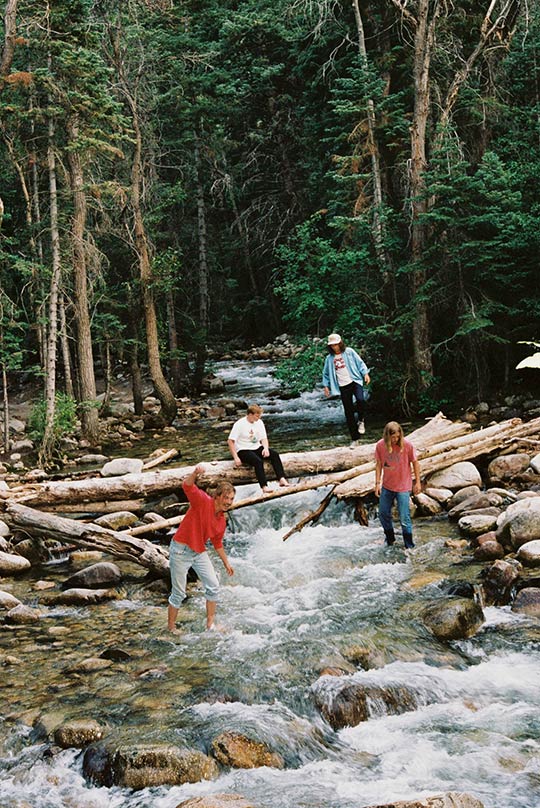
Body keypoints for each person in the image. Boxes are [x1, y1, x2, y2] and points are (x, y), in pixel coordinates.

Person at [168, 464, 235, 633]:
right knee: (179, 594)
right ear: (217, 497)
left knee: (213, 586)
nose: (228, 502)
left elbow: (217, 543)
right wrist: (195, 473)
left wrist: (226, 563)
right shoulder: (203, 501)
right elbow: (187, 486)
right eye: (226, 498)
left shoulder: (221, 520)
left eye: (232, 499)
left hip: (198, 552)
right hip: (180, 550)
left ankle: (210, 624)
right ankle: (171, 628)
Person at [374, 421, 421, 549]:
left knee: (404, 518)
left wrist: (417, 482)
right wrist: (377, 483)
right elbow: (378, 464)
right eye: (393, 437)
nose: (395, 439)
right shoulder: (380, 446)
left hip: (403, 486)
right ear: (387, 436)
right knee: (383, 513)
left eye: (397, 437)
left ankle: (409, 546)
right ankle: (390, 539)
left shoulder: (407, 445)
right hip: (387, 485)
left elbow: (415, 463)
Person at [227, 403, 289, 493]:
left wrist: (266, 448)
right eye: (256, 416)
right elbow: (230, 441)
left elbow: (264, 438)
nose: (258, 418)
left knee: (275, 455)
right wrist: (236, 457)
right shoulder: (239, 424)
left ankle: (281, 478)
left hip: (256, 447)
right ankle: (264, 486)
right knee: (258, 461)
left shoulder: (259, 422)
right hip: (243, 449)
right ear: (250, 414)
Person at [322, 333, 371, 442]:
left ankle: (361, 420)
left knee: (360, 400)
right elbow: (325, 374)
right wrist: (326, 386)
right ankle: (355, 439)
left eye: (336, 344)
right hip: (343, 386)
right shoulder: (329, 359)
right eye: (332, 345)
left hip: (355, 381)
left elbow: (360, 363)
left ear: (340, 343)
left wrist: (365, 374)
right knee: (348, 412)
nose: (334, 347)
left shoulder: (349, 352)